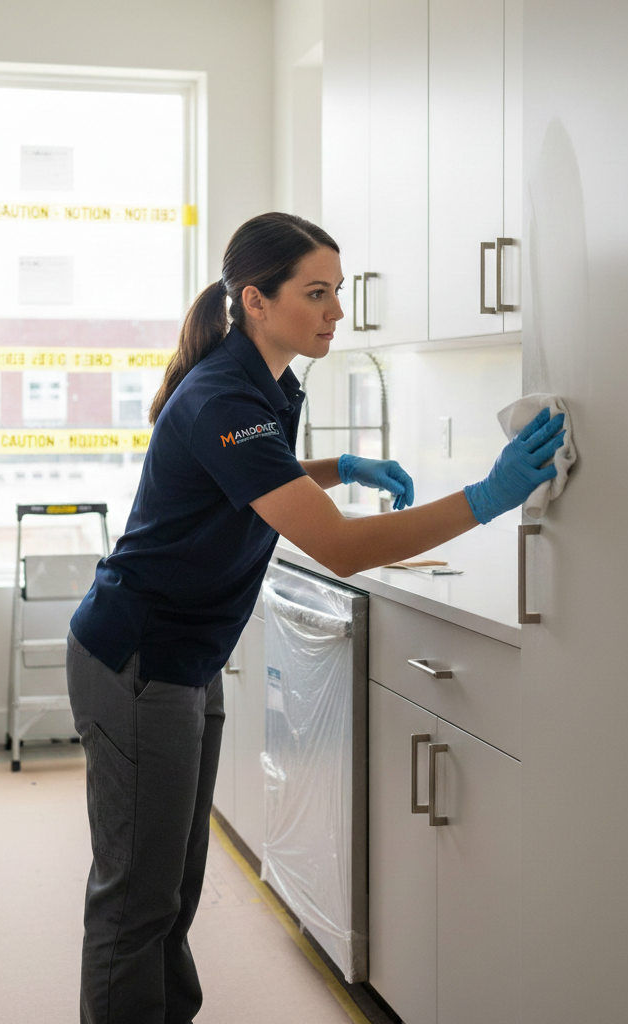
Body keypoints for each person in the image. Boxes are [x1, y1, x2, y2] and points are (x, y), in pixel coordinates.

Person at [66, 212, 564, 1024]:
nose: (336, 309)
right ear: (256, 301)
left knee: (174, 883)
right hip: (138, 659)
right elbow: (335, 545)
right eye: (317, 292)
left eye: (337, 290)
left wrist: (336, 464)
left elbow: (252, 470)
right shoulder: (225, 390)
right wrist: (486, 497)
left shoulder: (266, 383)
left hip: (186, 659)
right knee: (137, 896)